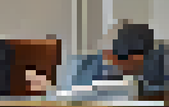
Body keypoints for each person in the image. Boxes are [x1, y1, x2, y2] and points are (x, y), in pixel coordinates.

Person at [28, 22, 166, 97]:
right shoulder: (89, 64)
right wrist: (51, 89)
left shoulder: (159, 63)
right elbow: (77, 94)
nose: (111, 60)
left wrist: (52, 91)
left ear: (137, 58)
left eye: (116, 59)